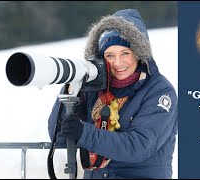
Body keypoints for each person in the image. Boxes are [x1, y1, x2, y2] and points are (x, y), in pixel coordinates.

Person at [48, 9, 178, 179]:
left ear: (139, 53)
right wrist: (71, 89)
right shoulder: (93, 88)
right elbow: (60, 139)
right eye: (110, 55)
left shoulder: (159, 91)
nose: (118, 63)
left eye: (125, 53)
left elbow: (138, 147)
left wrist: (84, 133)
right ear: (101, 58)